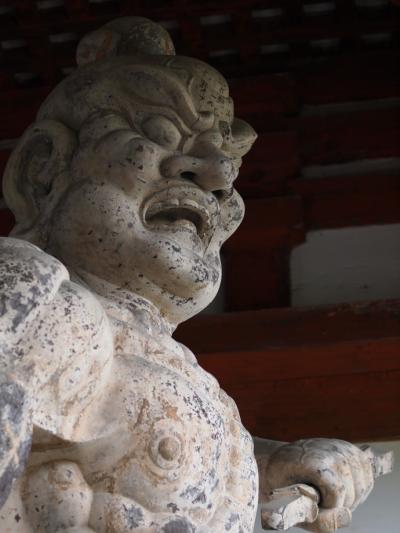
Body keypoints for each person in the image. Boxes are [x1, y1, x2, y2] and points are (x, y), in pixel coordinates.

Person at [0, 18, 377, 533]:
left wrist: (271, 462)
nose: (218, 178)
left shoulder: (176, 374)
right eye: (160, 133)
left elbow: (134, 434)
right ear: (42, 169)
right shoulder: (36, 298)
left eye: (232, 163)